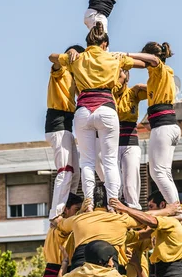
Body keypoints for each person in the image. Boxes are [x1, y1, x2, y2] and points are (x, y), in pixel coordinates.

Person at [49, 24, 147, 210]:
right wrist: (122, 56)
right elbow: (142, 64)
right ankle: (113, 202)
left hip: (84, 110)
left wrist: (70, 52)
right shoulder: (112, 58)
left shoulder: (78, 58)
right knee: (110, 161)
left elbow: (51, 57)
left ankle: (89, 200)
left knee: (87, 161)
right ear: (105, 44)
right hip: (106, 109)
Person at [133, 41, 181, 205]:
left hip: (163, 126)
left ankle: (176, 209)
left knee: (158, 172)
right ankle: (176, 208)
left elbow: (153, 61)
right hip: (169, 126)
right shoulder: (162, 75)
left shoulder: (159, 68)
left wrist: (125, 55)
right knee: (164, 172)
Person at [45, 45, 83, 221]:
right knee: (65, 170)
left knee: (75, 173)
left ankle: (69, 206)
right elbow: (52, 58)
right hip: (57, 123)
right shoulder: (63, 71)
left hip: (66, 125)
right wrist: (68, 56)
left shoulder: (75, 76)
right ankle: (57, 213)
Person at [113, 69, 147, 209]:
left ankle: (134, 209)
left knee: (130, 183)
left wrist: (142, 86)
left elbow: (154, 90)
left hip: (130, 143)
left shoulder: (133, 93)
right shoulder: (108, 94)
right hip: (112, 144)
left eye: (121, 74)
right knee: (115, 183)